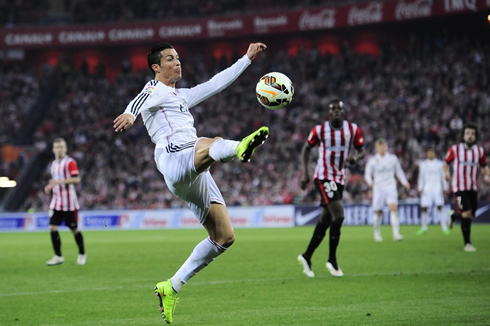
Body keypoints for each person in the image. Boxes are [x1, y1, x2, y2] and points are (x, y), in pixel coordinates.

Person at [113, 42, 267, 324]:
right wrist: (130, 114)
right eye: (170, 58)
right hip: (174, 156)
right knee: (213, 144)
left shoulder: (181, 95)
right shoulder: (155, 88)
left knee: (224, 237)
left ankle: (170, 287)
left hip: (193, 172)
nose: (177, 62)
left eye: (178, 57)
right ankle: (238, 148)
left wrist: (246, 59)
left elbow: (216, 84)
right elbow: (141, 97)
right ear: (156, 67)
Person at [297, 99, 365, 278]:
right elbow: (306, 148)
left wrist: (354, 159)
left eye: (339, 109)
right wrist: (305, 173)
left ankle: (307, 256)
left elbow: (362, 150)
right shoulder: (319, 130)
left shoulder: (353, 129)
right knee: (339, 216)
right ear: (329, 113)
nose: (336, 111)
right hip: (323, 177)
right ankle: (332, 260)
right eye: (333, 109)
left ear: (343, 112)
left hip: (340, 178)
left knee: (326, 220)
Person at [443, 123, 490, 252]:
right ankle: (467, 244)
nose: (470, 136)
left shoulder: (479, 151)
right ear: (463, 135)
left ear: (475, 136)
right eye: (468, 133)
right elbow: (446, 163)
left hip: (473, 187)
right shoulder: (455, 149)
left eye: (472, 134)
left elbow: (485, 166)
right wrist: (446, 173)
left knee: (471, 216)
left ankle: (454, 217)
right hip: (459, 186)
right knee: (467, 213)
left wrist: (486, 176)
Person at [44, 138, 86, 266]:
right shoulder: (54, 164)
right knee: (52, 228)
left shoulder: (70, 162)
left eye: (61, 147)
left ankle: (82, 253)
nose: (59, 149)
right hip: (56, 202)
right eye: (57, 147)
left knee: (74, 229)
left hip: (69, 203)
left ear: (65, 149)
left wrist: (59, 182)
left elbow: (76, 179)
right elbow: (55, 179)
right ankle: (58, 256)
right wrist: (51, 185)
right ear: (53, 149)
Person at [364, 139, 410, 242]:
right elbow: (367, 174)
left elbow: (399, 171)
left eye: (383, 146)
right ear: (377, 148)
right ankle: (376, 233)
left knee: (393, 208)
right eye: (380, 147)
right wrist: (370, 182)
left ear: (386, 147)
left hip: (390, 186)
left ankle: (396, 234)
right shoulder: (372, 160)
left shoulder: (393, 158)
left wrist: (405, 182)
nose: (382, 148)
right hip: (378, 188)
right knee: (378, 212)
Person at [416, 148, 449, 235]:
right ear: (427, 154)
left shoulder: (440, 164)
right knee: (424, 208)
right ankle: (424, 227)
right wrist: (420, 188)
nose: (430, 155)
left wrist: (445, 187)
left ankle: (444, 227)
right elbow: (421, 177)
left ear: (435, 154)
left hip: (437, 189)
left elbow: (443, 177)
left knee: (440, 207)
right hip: (427, 189)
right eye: (429, 153)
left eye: (432, 153)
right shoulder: (423, 164)